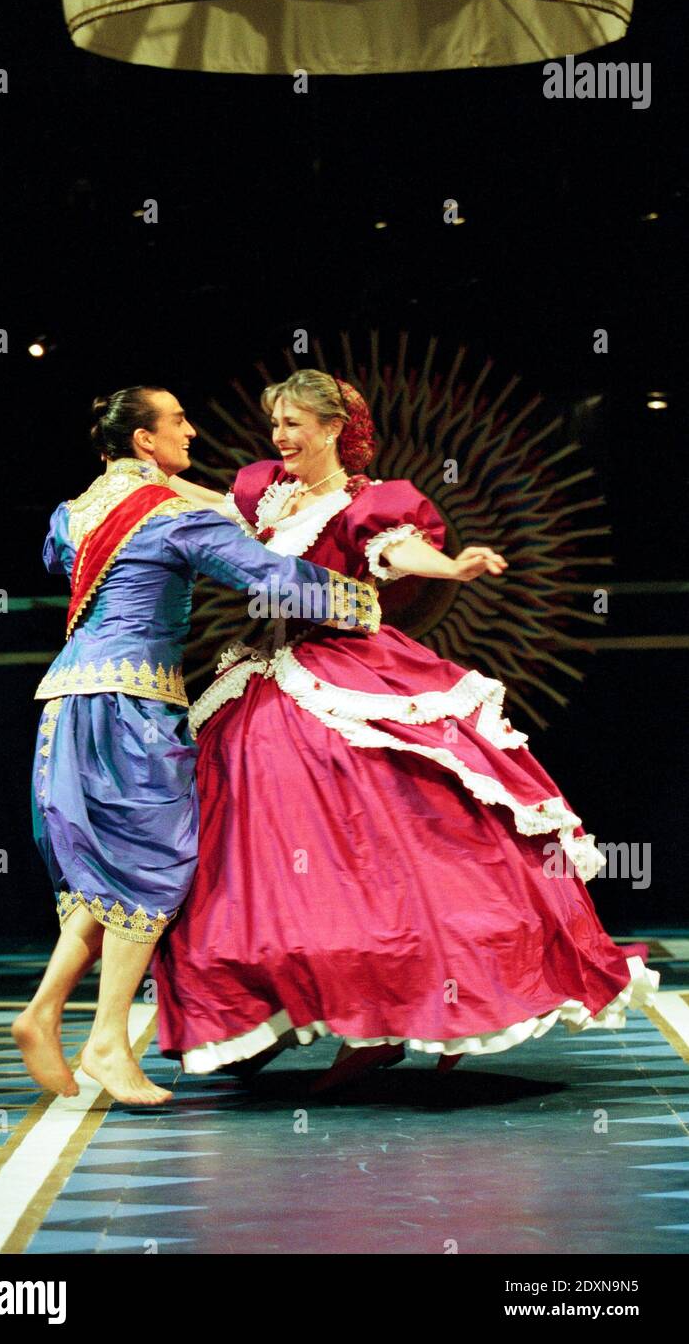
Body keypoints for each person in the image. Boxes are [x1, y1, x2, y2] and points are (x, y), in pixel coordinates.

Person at [153, 369, 659, 1091]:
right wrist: (138, 484)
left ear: (333, 429)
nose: (281, 438)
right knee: (252, 858)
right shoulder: (264, 489)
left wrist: (453, 565)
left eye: (295, 423)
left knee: (384, 848)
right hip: (263, 675)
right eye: (277, 425)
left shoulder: (369, 504)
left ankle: (384, 1016)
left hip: (342, 668)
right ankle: (264, 1008)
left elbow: (397, 553)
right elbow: (214, 511)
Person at [12, 384, 379, 1106]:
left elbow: (60, 562)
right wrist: (364, 600)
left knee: (110, 864)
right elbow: (268, 576)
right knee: (159, 861)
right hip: (132, 704)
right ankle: (108, 1041)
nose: (191, 430)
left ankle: (45, 1009)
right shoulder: (170, 517)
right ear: (145, 440)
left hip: (64, 702)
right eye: (178, 420)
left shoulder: (72, 513)